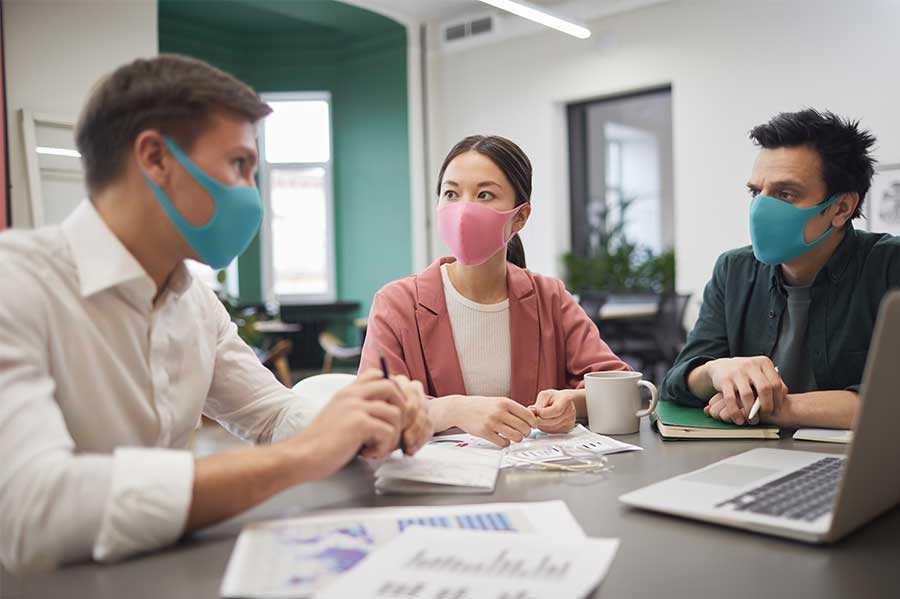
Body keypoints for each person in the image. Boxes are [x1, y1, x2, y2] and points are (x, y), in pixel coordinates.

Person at [0, 55, 431, 574]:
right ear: (156, 157)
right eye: (239, 165)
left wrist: (361, 419)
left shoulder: (195, 302)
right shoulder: (17, 284)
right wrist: (302, 457)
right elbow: (29, 512)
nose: (251, 194)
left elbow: (270, 415)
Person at [360, 135, 630, 446]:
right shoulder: (396, 303)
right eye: (451, 193)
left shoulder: (549, 297)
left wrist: (573, 403)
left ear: (520, 217)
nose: (464, 210)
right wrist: (452, 409)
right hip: (439, 488)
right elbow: (372, 413)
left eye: (485, 194)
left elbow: (619, 384)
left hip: (537, 482)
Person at [661, 109, 900, 429]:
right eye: (755, 192)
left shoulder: (888, 267)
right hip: (747, 457)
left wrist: (779, 407)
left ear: (841, 208)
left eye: (785, 194)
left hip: (854, 466)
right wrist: (714, 371)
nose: (761, 208)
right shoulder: (733, 270)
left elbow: (889, 401)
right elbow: (677, 383)